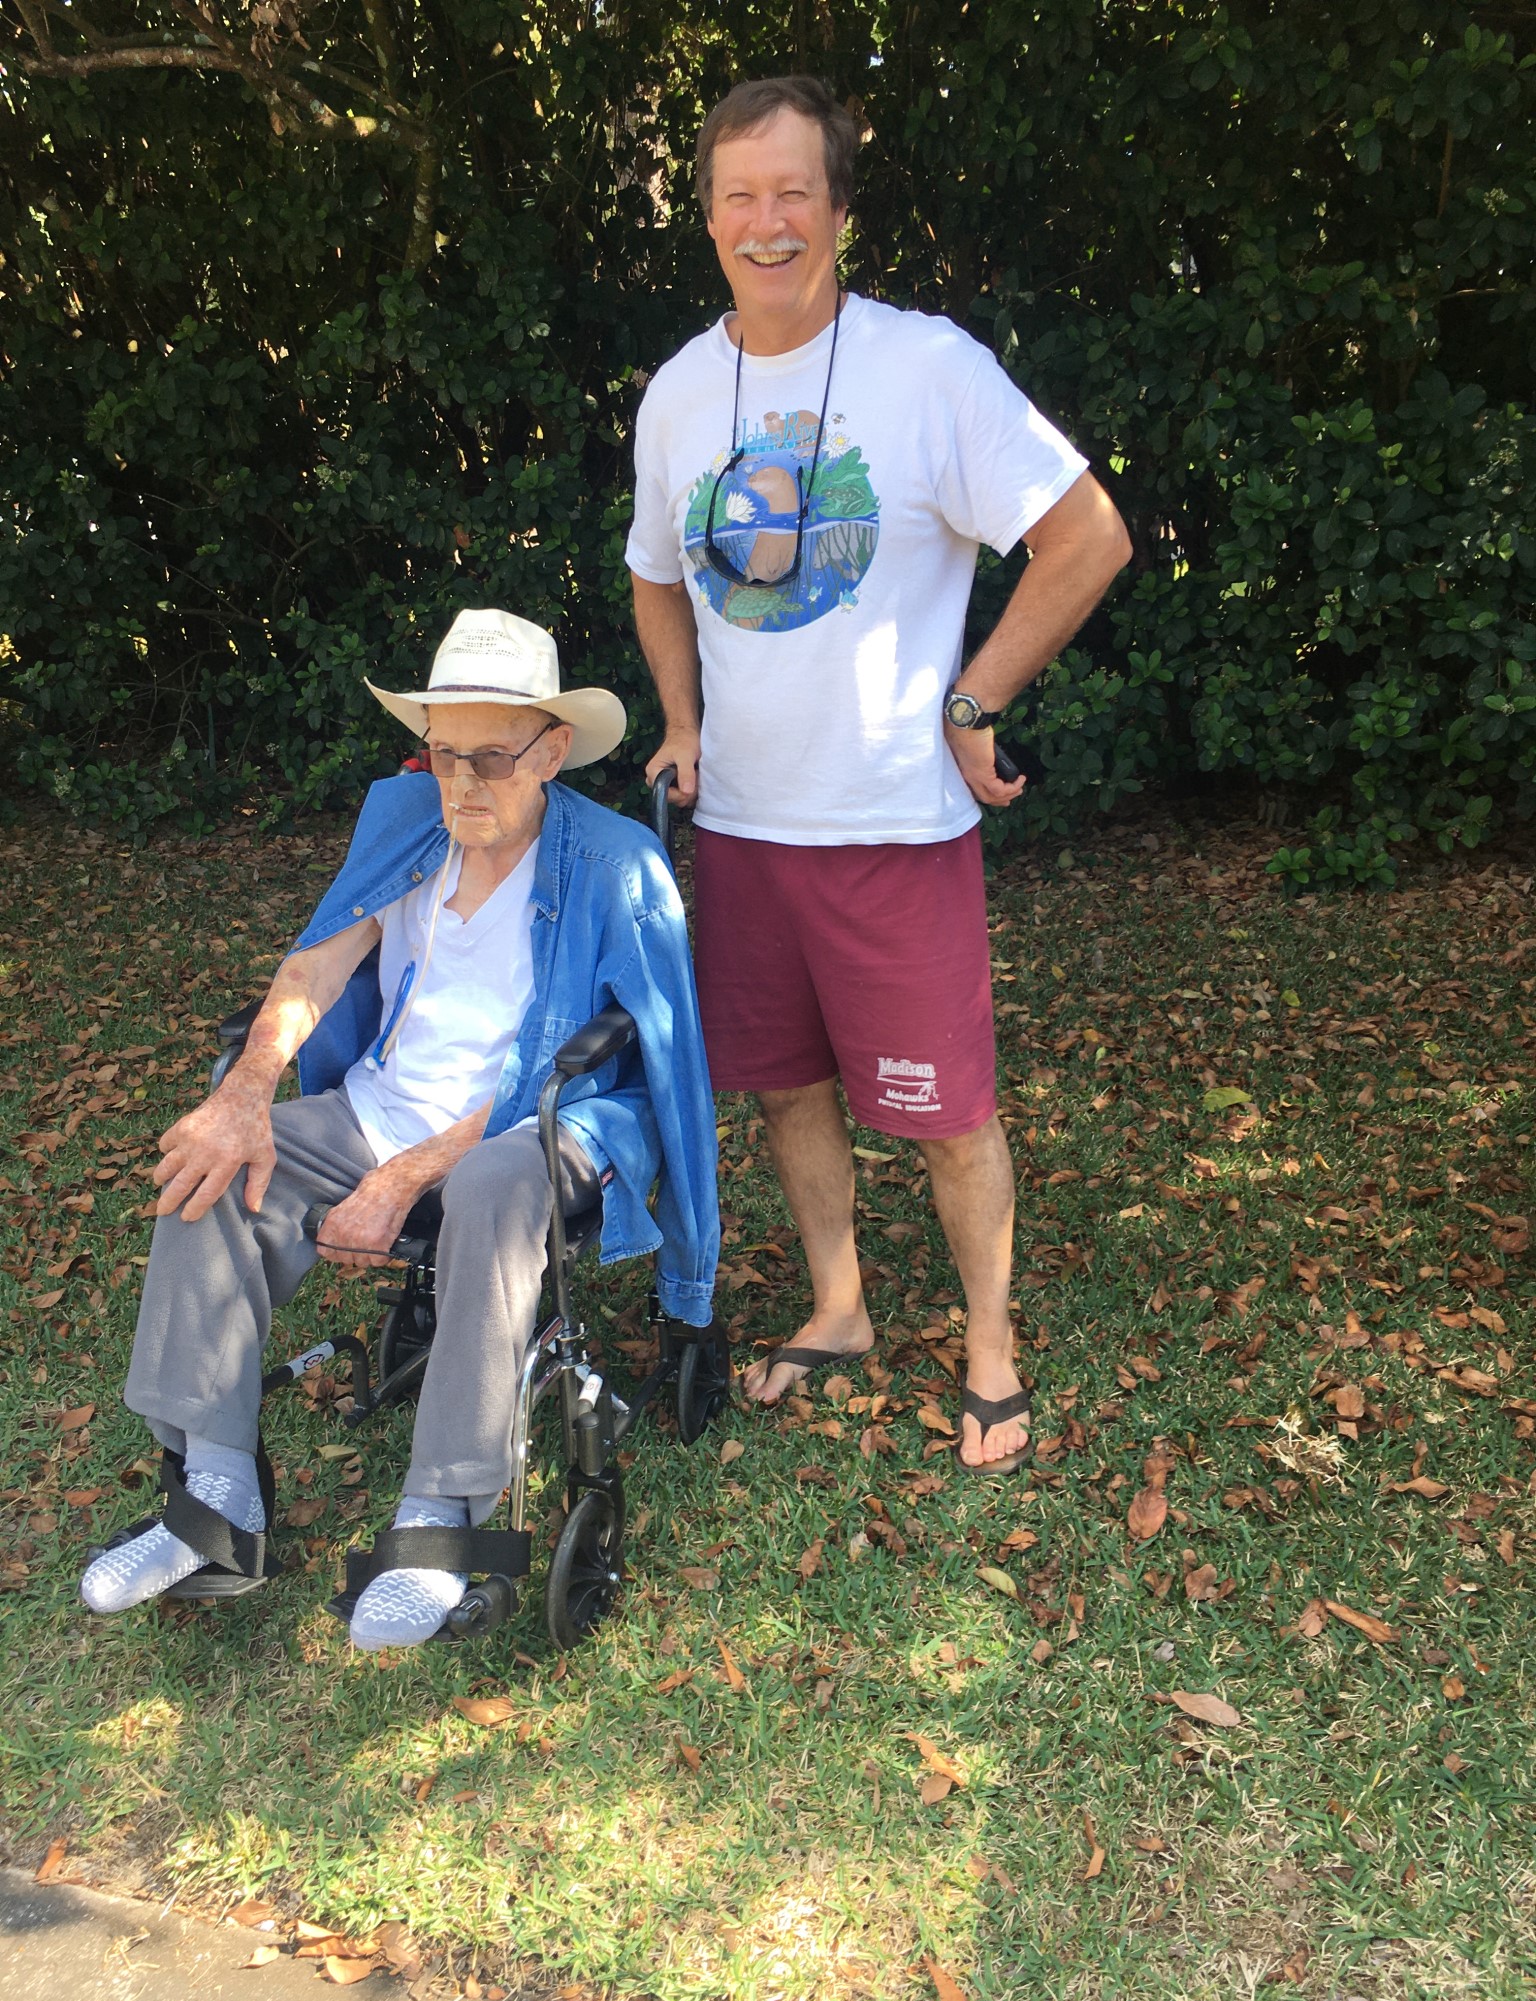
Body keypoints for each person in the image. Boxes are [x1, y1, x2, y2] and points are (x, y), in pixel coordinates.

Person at [626, 76, 1131, 1475]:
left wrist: (976, 698)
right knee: (788, 1088)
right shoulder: (680, 393)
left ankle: (991, 1348)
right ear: (709, 218)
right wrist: (680, 719)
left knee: (949, 1114)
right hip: (742, 831)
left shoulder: (928, 369)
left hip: (895, 832)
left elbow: (1087, 535)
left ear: (839, 209)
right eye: (740, 196)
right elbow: (654, 570)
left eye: (794, 191)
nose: (767, 222)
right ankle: (840, 1307)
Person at [79, 608, 719, 1647]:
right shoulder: (409, 825)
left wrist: (405, 1176)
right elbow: (317, 962)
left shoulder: (615, 865)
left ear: (552, 749)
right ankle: (216, 1494)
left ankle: (441, 1510)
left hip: (550, 1117)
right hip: (381, 1106)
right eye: (441, 754)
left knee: (491, 1186)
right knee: (218, 1166)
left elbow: (637, 1058)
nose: (460, 784)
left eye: (490, 758)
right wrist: (245, 1095)